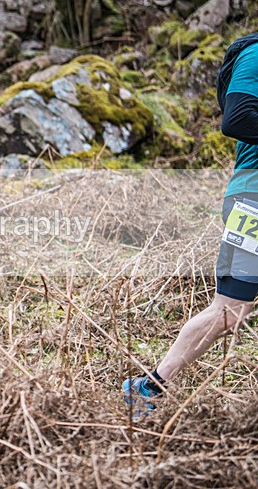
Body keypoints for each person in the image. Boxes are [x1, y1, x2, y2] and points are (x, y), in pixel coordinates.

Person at [124, 32, 258, 416]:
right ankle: (149, 387)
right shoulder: (256, 54)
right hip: (254, 200)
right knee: (231, 310)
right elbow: (237, 118)